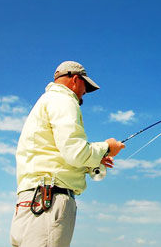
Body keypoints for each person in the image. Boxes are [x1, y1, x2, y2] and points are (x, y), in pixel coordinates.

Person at [10, 61, 125, 247]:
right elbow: (75, 151)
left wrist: (92, 162)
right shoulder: (64, 100)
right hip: (48, 204)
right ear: (75, 79)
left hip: (29, 204)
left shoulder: (45, 101)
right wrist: (107, 147)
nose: (84, 93)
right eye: (85, 87)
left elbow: (57, 154)